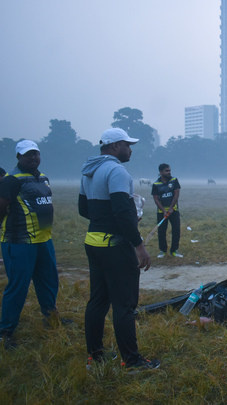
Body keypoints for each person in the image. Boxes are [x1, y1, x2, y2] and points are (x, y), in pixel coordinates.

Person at [79, 128, 159, 370]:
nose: (130, 149)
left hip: (93, 241)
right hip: (115, 245)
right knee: (124, 305)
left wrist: (106, 219)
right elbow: (124, 215)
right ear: (114, 146)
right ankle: (132, 361)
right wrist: (139, 246)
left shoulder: (89, 171)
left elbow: (84, 210)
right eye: (127, 144)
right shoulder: (117, 171)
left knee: (98, 302)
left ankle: (96, 356)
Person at [0, 140, 71, 349]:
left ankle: (51, 318)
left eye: (36, 154)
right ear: (18, 157)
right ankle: (5, 331)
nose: (33, 158)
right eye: (27, 154)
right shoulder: (11, 180)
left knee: (49, 281)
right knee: (18, 286)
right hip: (20, 242)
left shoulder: (44, 178)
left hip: (44, 241)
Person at [151, 163, 182, 258]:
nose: (169, 172)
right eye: (166, 171)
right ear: (161, 172)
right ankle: (163, 251)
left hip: (174, 210)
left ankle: (174, 250)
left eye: (169, 170)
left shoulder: (174, 180)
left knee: (176, 230)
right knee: (162, 231)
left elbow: (176, 194)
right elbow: (156, 199)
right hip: (161, 212)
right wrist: (164, 211)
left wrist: (171, 208)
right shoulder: (156, 184)